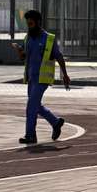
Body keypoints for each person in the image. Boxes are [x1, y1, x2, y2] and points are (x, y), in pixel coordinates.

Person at [11, 10, 71, 144]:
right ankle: (55, 122)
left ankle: (30, 135)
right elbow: (23, 57)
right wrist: (18, 50)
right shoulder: (28, 37)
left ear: (38, 22)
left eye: (31, 23)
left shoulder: (48, 39)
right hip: (31, 78)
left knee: (31, 106)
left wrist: (65, 75)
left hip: (42, 79)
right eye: (28, 24)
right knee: (36, 106)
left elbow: (59, 56)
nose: (29, 26)